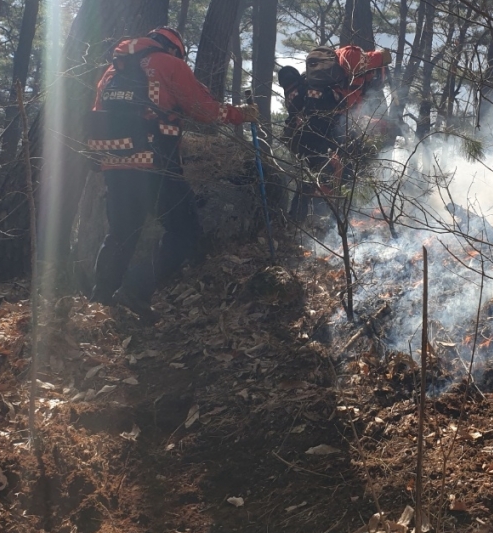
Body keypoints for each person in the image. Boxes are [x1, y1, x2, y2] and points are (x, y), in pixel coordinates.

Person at [88, 27, 258, 317]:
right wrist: (240, 114)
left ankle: (99, 303)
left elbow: (97, 114)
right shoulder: (167, 64)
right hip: (154, 162)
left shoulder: (112, 70)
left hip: (113, 162)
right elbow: (203, 109)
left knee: (121, 233)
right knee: (184, 230)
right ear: (174, 50)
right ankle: (136, 290)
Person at [280, 44, 391, 219]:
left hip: (323, 127)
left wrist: (382, 125)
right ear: (377, 73)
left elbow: (351, 118)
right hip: (314, 126)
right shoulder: (356, 63)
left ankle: (325, 220)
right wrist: (381, 57)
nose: (379, 85)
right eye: (380, 80)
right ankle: (311, 222)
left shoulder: (355, 87)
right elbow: (350, 55)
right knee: (324, 173)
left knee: (331, 173)